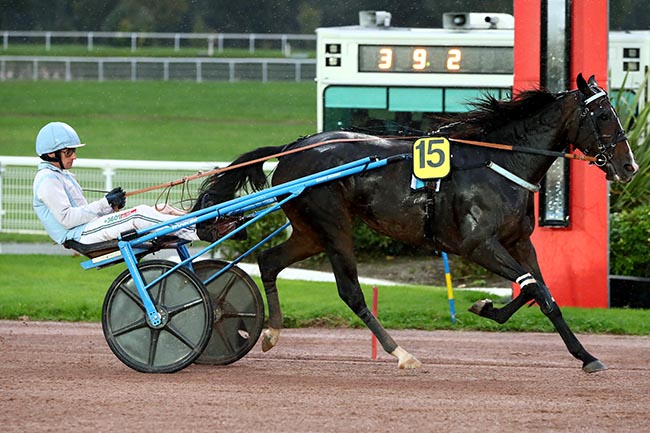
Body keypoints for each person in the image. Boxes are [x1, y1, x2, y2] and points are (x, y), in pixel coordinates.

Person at [32, 121, 199, 247]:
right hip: (79, 235)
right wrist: (105, 202)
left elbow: (83, 212)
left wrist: (110, 206)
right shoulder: (48, 180)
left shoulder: (61, 176)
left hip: (87, 228)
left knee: (163, 208)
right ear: (51, 154)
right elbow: (68, 219)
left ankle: (198, 221)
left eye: (74, 151)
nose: (74, 156)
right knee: (139, 214)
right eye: (68, 152)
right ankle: (195, 231)